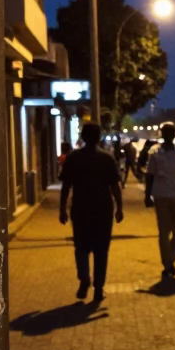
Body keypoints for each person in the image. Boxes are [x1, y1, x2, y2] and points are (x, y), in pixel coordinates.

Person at [58, 122, 123, 302]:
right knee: (101, 251)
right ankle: (99, 289)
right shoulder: (107, 158)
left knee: (81, 248)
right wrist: (120, 208)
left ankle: (85, 279)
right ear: (99, 137)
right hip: (103, 211)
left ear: (83, 137)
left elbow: (66, 186)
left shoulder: (73, 158)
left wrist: (62, 208)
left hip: (80, 210)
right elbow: (115, 186)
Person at [145, 122, 175, 279]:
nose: (168, 135)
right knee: (164, 232)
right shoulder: (155, 152)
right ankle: (167, 264)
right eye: (165, 132)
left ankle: (171, 260)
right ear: (162, 134)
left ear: (174, 134)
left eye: (171, 132)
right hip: (161, 196)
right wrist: (147, 195)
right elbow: (149, 175)